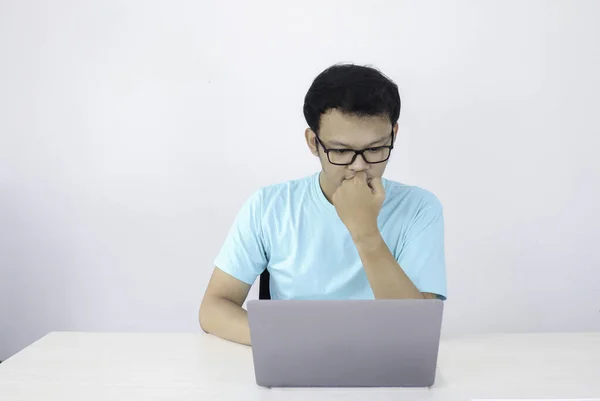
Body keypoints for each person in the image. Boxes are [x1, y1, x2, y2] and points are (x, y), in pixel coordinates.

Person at [199, 63, 447, 345]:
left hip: (386, 365)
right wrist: (291, 341)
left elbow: (416, 331)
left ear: (394, 135)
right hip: (294, 360)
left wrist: (364, 231)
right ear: (313, 142)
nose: (359, 166)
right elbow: (214, 308)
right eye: (340, 151)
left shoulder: (419, 208)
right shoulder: (269, 206)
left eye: (376, 149)